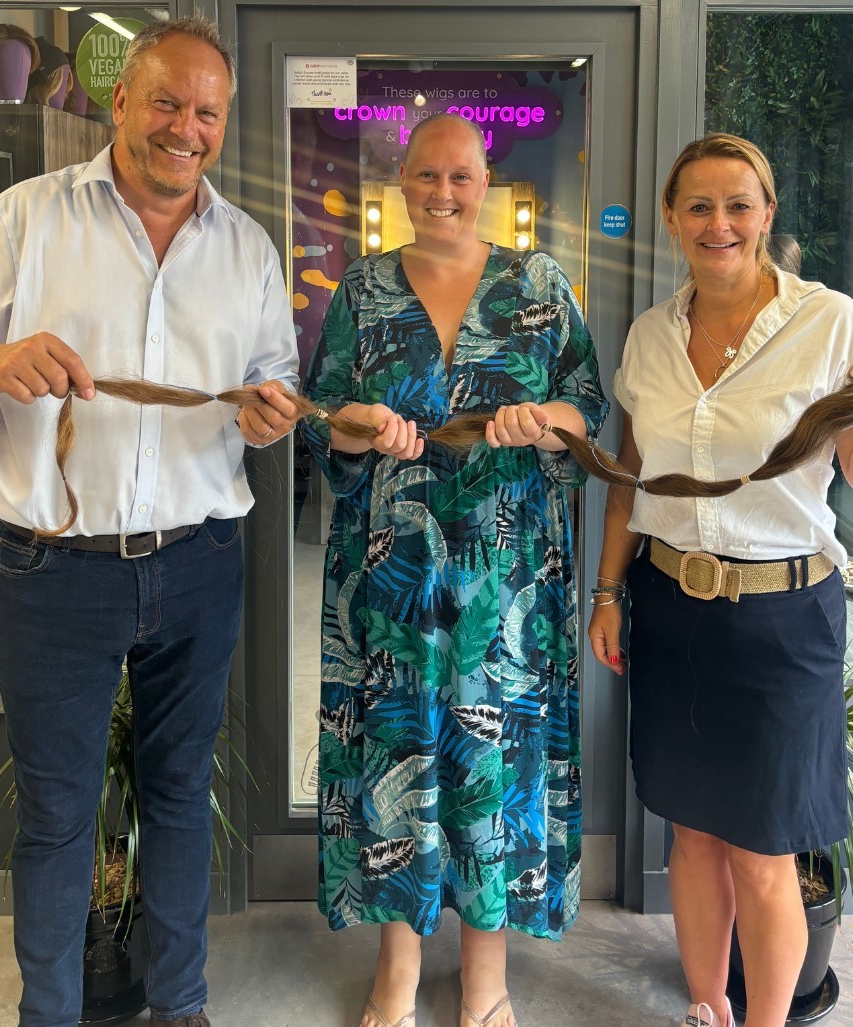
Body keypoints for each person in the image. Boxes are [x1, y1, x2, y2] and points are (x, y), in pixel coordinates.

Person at [0, 17, 299, 1027]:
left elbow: (274, 385)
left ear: (223, 125)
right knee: (58, 818)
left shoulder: (248, 250)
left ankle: (180, 1007)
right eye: (166, 102)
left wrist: (267, 411)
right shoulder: (22, 223)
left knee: (177, 802)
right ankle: (51, 1014)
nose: (184, 128)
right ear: (121, 99)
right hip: (54, 572)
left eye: (206, 112)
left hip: (201, 562)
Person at [587, 133, 853, 1027]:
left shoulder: (830, 323)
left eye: (738, 205)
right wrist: (608, 591)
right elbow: (631, 471)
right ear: (672, 219)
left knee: (766, 848)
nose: (719, 223)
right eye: (699, 206)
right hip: (671, 610)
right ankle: (708, 1009)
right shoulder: (651, 337)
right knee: (693, 834)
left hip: (782, 617)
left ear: (767, 215)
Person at [302, 113, 607, 1027]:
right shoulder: (362, 289)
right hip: (387, 579)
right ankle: (397, 965)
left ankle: (486, 973)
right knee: (395, 751)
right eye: (427, 175)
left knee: (492, 764)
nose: (443, 191)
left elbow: (589, 410)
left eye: (461, 176)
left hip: (505, 584)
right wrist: (358, 421)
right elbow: (324, 417)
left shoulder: (540, 285)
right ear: (403, 181)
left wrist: (544, 415)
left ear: (488, 185)